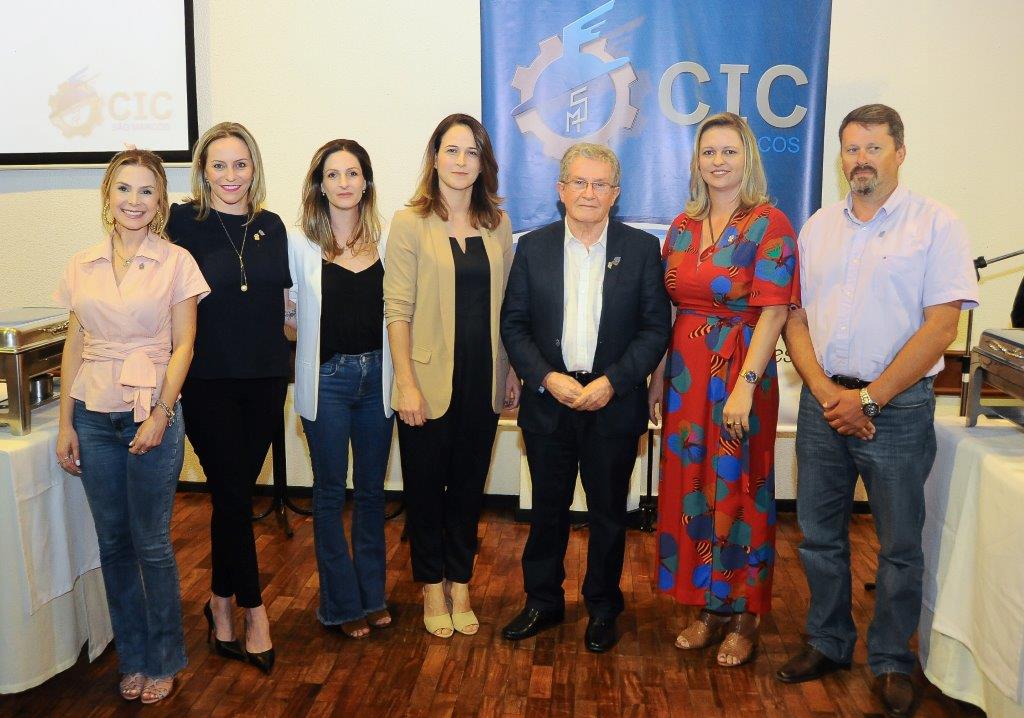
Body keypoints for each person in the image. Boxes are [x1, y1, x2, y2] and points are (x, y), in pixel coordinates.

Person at [776, 104, 978, 718]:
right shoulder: (817, 228)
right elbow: (796, 317)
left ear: (899, 152)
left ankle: (891, 658)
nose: (860, 159)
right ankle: (829, 641)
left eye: (873, 148)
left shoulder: (936, 225)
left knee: (897, 546)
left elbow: (942, 325)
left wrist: (870, 398)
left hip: (898, 410)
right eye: (850, 149)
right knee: (817, 536)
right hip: (823, 405)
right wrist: (828, 394)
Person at [500, 142, 671, 653]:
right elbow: (514, 324)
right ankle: (542, 601)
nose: (589, 192)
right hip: (550, 400)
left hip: (612, 402)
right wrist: (547, 379)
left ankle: (602, 606)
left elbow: (654, 328)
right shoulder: (532, 248)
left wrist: (613, 382)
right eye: (579, 182)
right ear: (561, 190)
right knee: (547, 511)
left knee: (607, 515)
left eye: (600, 184)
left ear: (616, 194)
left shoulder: (641, 249)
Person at [54, 149, 210, 704]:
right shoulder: (82, 264)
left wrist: (162, 414)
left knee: (152, 543)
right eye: (124, 189)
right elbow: (75, 343)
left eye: (147, 191)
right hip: (94, 414)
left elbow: (185, 344)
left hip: (152, 410)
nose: (134, 201)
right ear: (108, 196)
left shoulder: (177, 262)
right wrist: (65, 424)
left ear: (161, 201)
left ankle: (165, 658)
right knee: (113, 543)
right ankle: (135, 658)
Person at [649, 113, 799, 666]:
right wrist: (660, 374)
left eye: (728, 151)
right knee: (692, 488)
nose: (718, 161)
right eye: (708, 152)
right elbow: (671, 304)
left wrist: (745, 386)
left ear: (747, 158)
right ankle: (708, 606)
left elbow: (775, 309)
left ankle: (744, 614)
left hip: (741, 373)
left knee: (740, 491)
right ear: (696, 161)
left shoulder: (769, 222)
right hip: (686, 379)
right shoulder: (683, 226)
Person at [383, 113, 519, 638]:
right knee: (423, 490)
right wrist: (406, 383)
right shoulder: (409, 222)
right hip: (426, 383)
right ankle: (431, 588)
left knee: (467, 488)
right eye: (452, 150)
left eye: (472, 152)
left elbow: (508, 307)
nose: (462, 162)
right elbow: (397, 310)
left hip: (483, 380)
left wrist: (510, 373)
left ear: (483, 163)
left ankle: (461, 581)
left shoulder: (498, 224)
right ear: (435, 156)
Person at [165, 121, 291, 673]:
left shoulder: (273, 225)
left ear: (254, 168)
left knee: (231, 498)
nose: (230, 175)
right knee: (235, 496)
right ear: (203, 170)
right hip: (206, 381)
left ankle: (218, 603)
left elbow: (285, 305)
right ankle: (253, 610)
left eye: (240, 164)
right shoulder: (180, 223)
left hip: (265, 380)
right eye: (219, 164)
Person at [286, 139, 394, 638]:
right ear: (320, 184)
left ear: (366, 182)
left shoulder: (389, 241)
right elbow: (287, 321)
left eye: (353, 173)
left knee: (372, 493)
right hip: (326, 382)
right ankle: (341, 605)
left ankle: (373, 596)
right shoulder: (298, 245)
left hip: (379, 380)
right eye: (334, 174)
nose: (345, 183)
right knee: (330, 494)